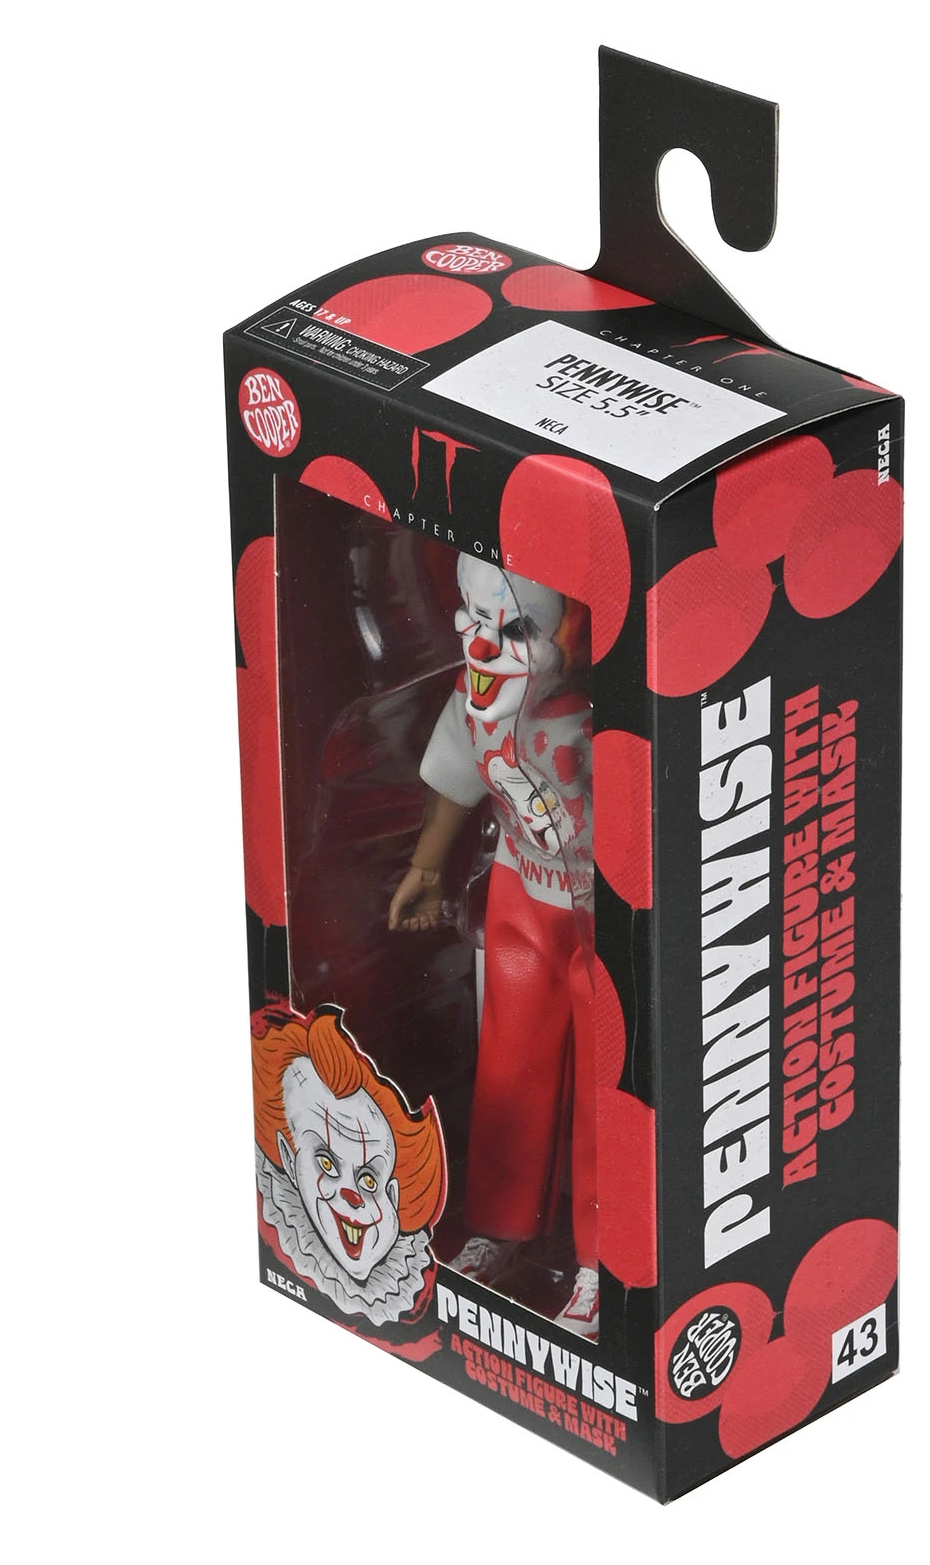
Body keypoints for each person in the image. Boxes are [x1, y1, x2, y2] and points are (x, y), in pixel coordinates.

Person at [388, 553, 599, 1338]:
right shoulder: (477, 700)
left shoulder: (598, 719)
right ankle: (501, 1227)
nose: (482, 646)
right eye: (475, 621)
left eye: (512, 631)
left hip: (604, 913)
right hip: (521, 892)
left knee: (607, 1088)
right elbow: (457, 777)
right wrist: (425, 867)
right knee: (510, 1064)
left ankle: (602, 1260)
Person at [253, 1005, 446, 1327]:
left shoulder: (419, 1304)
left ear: (394, 1195)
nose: (352, 1196)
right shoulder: (275, 1247)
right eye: (326, 1163)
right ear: (288, 1159)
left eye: (369, 1180)